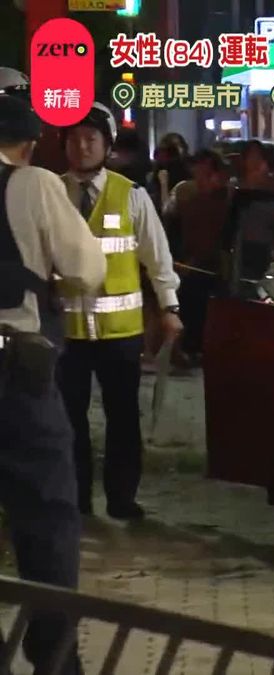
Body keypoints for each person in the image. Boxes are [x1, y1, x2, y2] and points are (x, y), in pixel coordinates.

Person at [0, 85, 105, 675]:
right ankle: (54, 658)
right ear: (31, 142)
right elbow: (86, 270)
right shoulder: (33, 184)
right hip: (16, 374)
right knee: (46, 520)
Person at [59, 102, 182, 521]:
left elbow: (157, 257)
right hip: (66, 332)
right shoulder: (50, 193)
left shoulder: (131, 196)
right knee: (67, 420)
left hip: (120, 332)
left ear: (107, 145)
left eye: (91, 139)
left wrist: (169, 307)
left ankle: (121, 498)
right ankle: (76, 500)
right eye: (74, 138)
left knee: (123, 419)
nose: (81, 146)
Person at [164, 149, 233, 366]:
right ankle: (188, 347)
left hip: (212, 265)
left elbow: (214, 236)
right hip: (188, 261)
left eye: (206, 171)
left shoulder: (225, 197)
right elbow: (171, 223)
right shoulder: (186, 192)